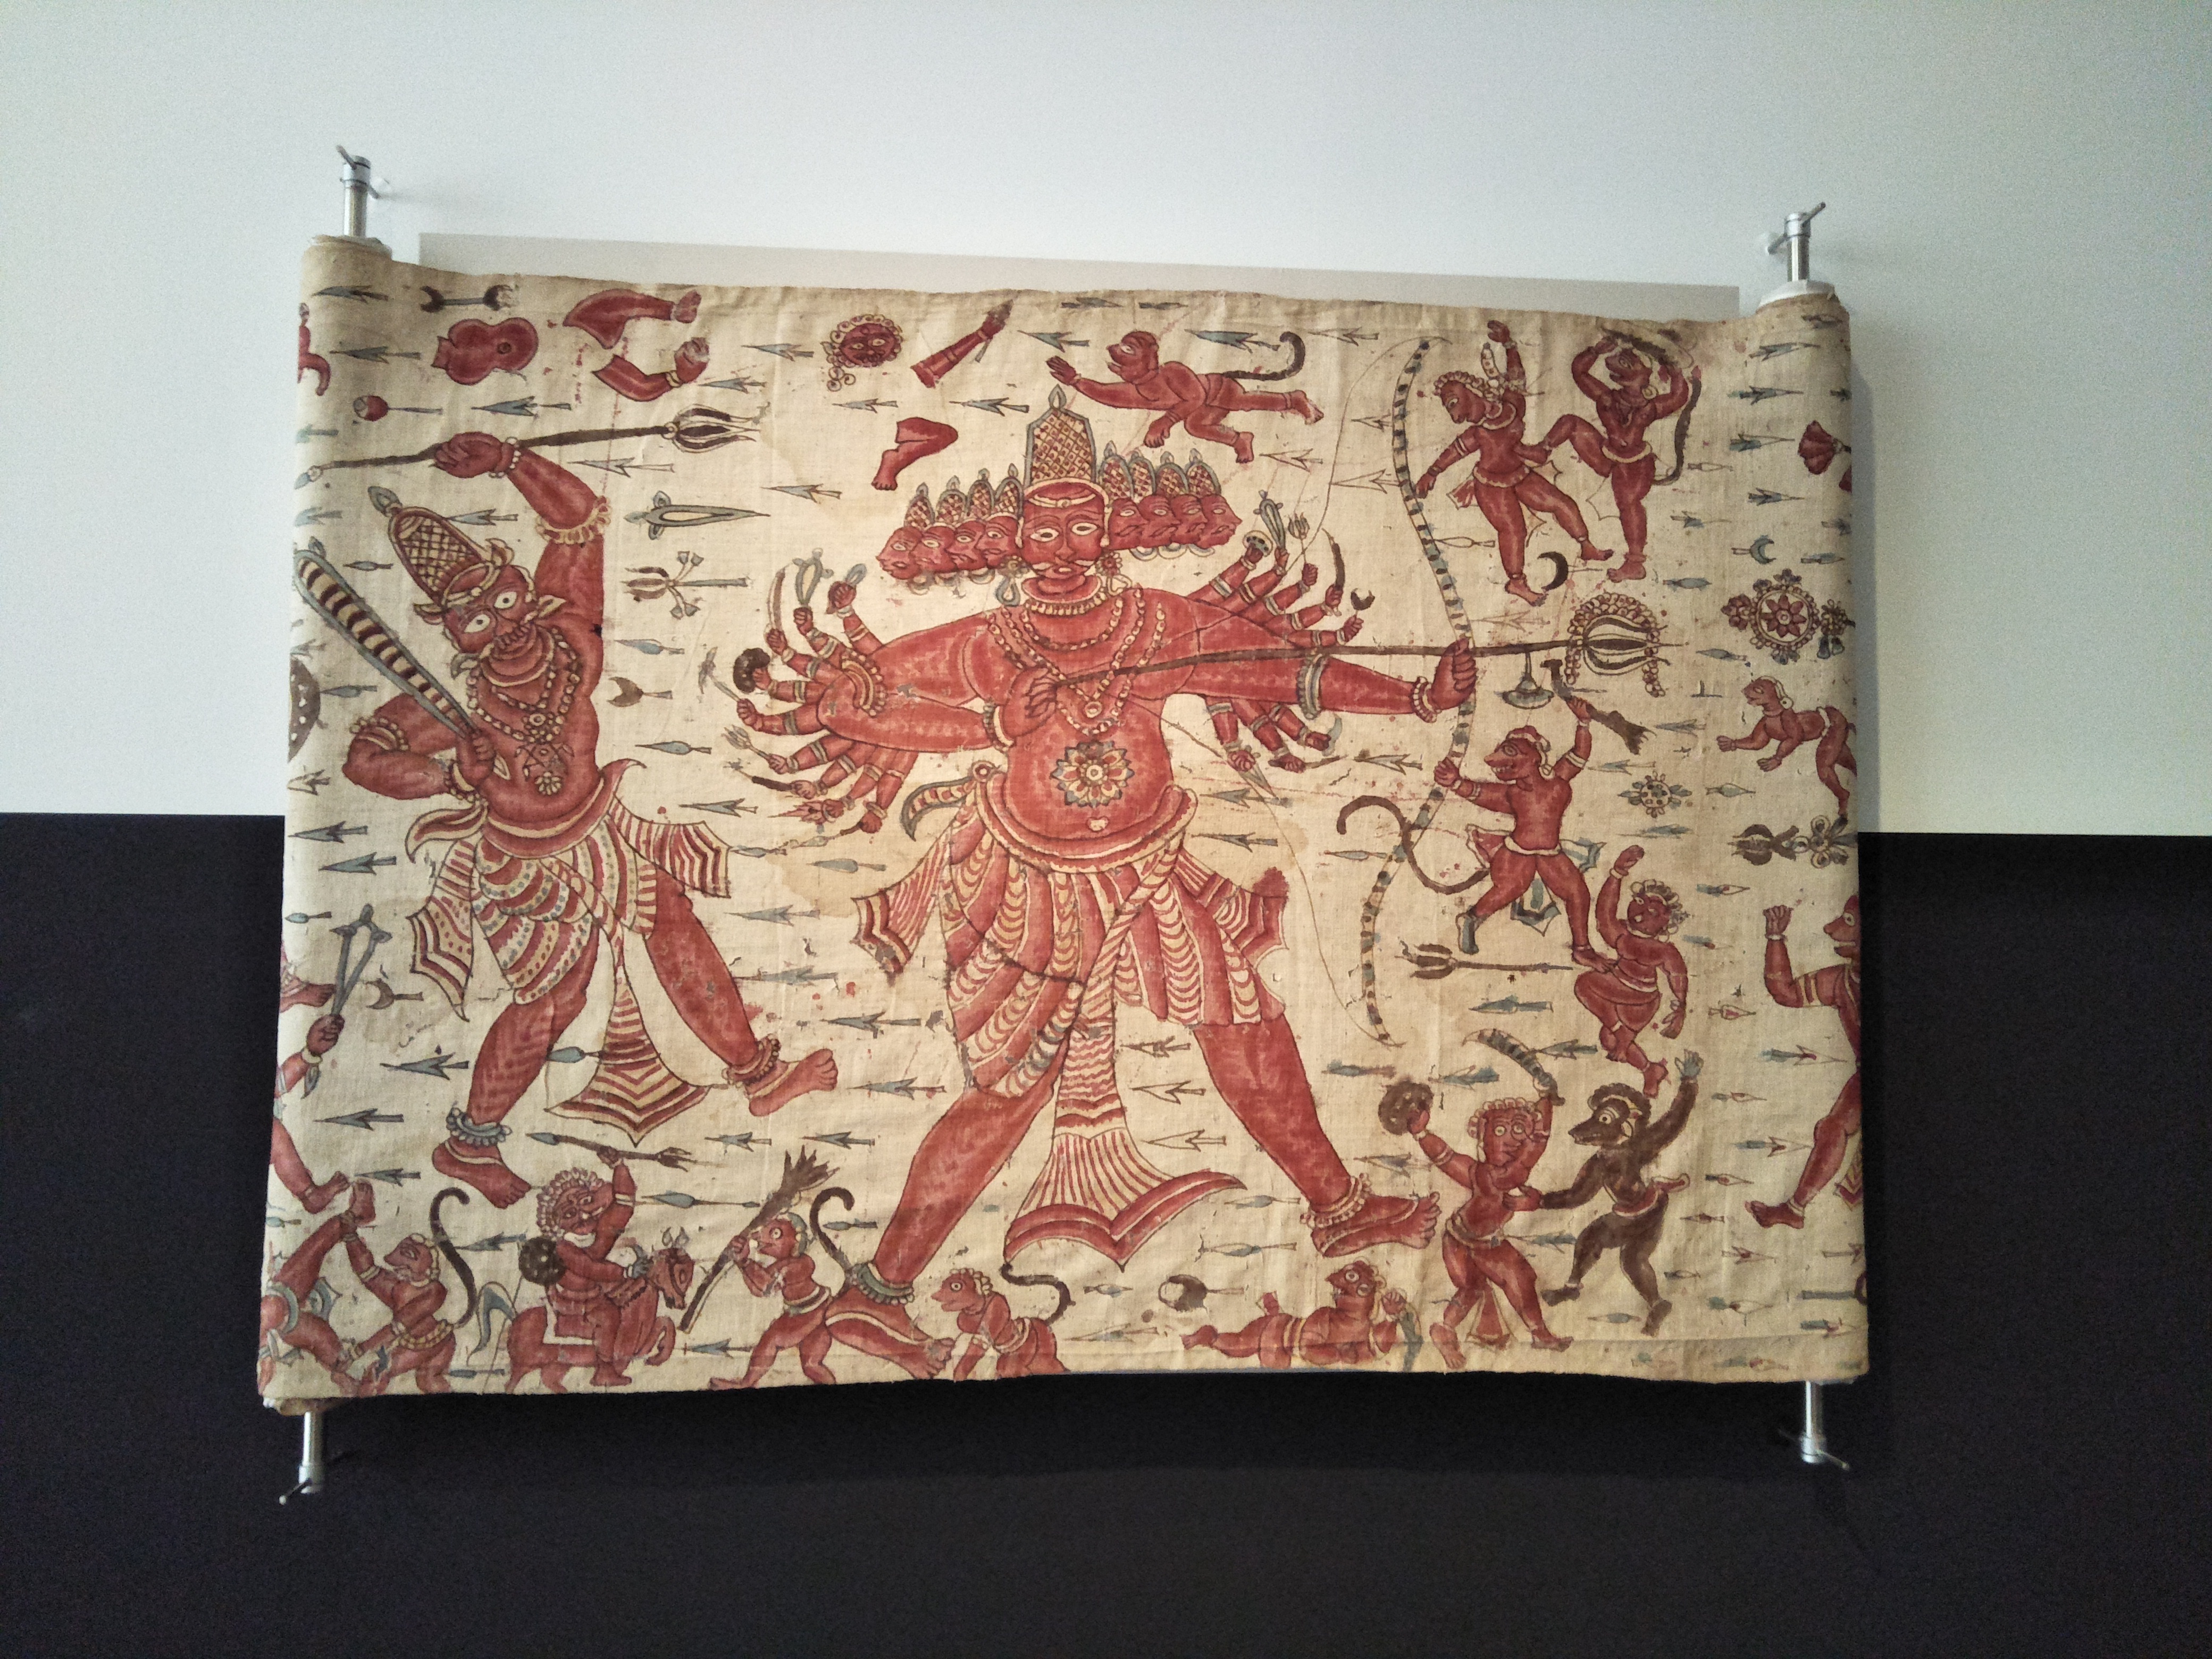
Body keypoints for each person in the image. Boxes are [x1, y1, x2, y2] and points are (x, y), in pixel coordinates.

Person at [748, 397, 1476, 1375]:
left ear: (1110, 527)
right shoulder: (990, 641)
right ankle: (877, 1293)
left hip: (1151, 864)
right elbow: (848, 703)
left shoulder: (1156, 623)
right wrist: (989, 729)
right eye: (1042, 528)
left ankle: (1339, 1209)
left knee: (1245, 1022)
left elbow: (1280, 672)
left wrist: (1418, 696)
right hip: (1031, 884)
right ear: (1016, 534)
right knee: (1010, 1090)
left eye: (1080, 525)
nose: (1061, 548)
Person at [345, 435, 833, 1205]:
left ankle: (758, 1077)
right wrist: (449, 776)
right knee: (556, 1000)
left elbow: (580, 522)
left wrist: (509, 460)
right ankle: (470, 1144)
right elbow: (365, 759)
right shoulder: (456, 701)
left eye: (505, 600)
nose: (502, 626)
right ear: (452, 632)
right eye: (475, 620)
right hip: (521, 863)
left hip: (599, 827)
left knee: (672, 922)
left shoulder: (571, 637)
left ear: (522, 585)